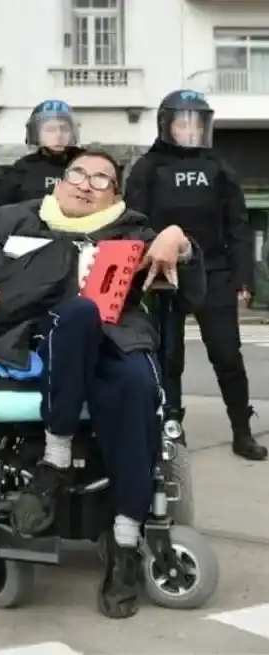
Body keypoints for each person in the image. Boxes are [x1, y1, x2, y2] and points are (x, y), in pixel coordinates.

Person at [0, 150, 205, 619]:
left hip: (116, 345)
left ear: (114, 196)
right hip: (35, 341)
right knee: (79, 312)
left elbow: (188, 277)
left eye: (101, 180)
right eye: (78, 173)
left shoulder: (132, 231)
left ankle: (124, 547)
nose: (85, 184)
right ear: (59, 182)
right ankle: (56, 454)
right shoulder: (14, 220)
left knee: (138, 387)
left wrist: (177, 239)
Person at [125, 90, 265, 461]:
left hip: (215, 272)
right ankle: (171, 428)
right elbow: (134, 223)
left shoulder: (220, 167)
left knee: (227, 355)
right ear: (166, 125)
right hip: (164, 274)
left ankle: (242, 431)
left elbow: (238, 225)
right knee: (169, 356)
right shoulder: (147, 168)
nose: (190, 130)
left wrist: (243, 277)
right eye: (182, 123)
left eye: (197, 124)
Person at [0, 100, 84, 208]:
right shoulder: (24, 168)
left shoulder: (85, 164)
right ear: (37, 134)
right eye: (50, 129)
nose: (58, 135)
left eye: (64, 129)